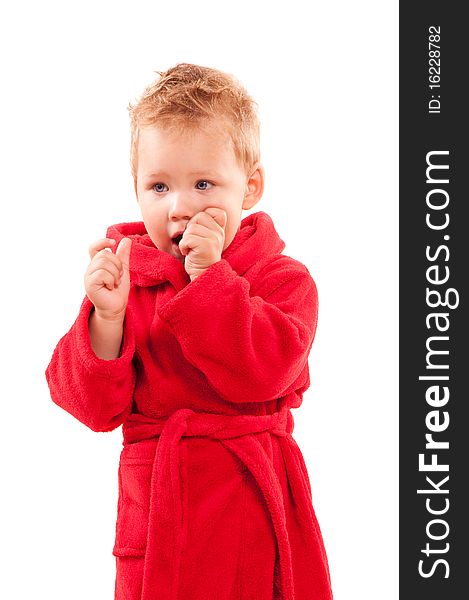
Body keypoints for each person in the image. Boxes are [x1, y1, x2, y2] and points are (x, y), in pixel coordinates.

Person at [45, 62, 333, 600]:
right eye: (158, 186)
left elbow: (263, 372)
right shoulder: (128, 279)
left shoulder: (283, 280)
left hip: (250, 508)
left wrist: (210, 280)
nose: (179, 207)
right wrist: (105, 318)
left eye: (204, 183)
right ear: (135, 190)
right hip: (160, 517)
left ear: (250, 187)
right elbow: (89, 406)